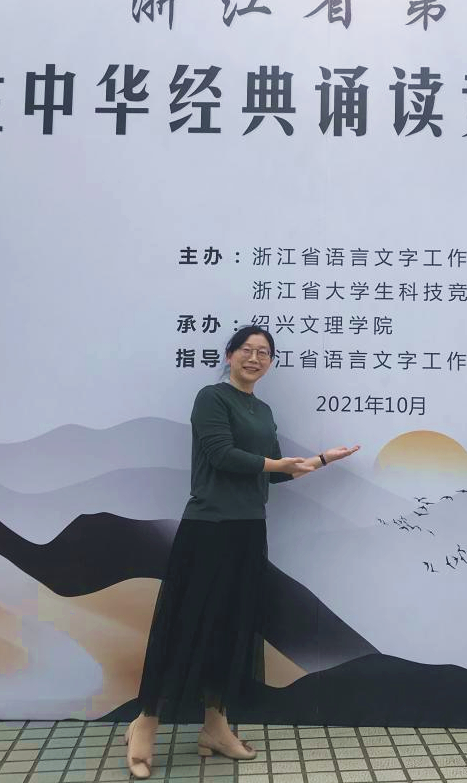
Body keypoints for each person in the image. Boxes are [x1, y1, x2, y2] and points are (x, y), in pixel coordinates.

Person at [124, 325, 359, 778]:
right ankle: (145, 724)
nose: (255, 358)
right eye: (247, 350)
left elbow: (274, 473)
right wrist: (275, 463)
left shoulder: (263, 410)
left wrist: (322, 460)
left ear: (270, 363)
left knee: (232, 627)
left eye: (264, 353)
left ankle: (215, 726)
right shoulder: (212, 399)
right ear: (230, 355)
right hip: (208, 528)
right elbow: (222, 455)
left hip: (248, 530)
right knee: (185, 625)